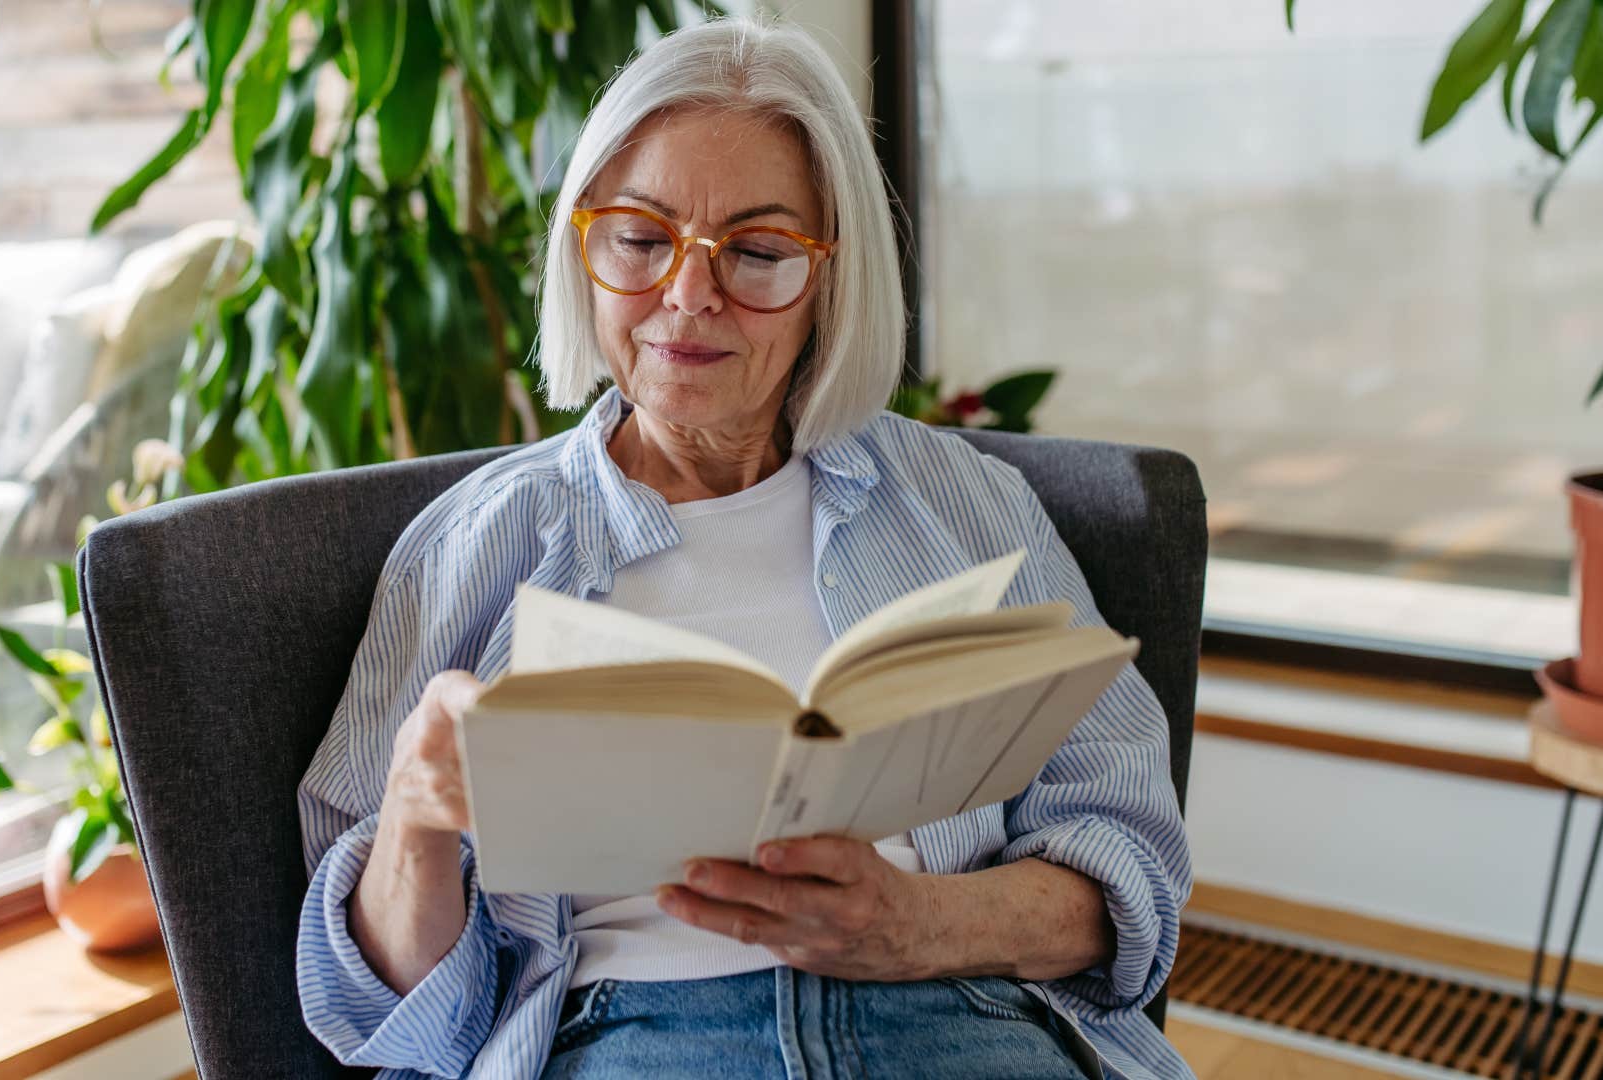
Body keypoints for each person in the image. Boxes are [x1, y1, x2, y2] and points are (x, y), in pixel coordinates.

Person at [296, 17, 1191, 1080]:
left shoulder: (965, 505)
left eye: (758, 253)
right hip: (628, 1038)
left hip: (953, 1013)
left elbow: (1130, 863)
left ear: (830, 281)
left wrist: (914, 925)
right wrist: (414, 819)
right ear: (584, 247)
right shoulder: (473, 544)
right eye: (640, 239)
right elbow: (378, 1013)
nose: (687, 295)